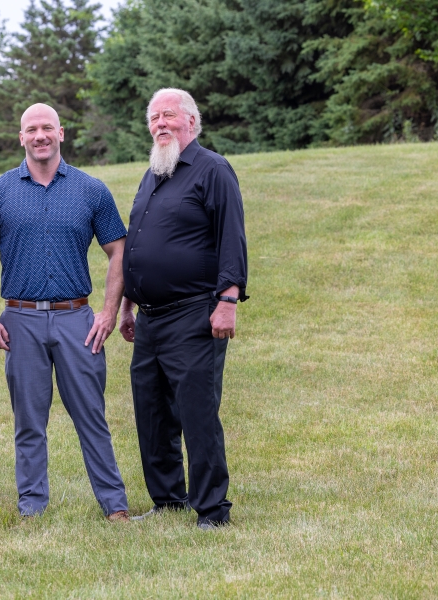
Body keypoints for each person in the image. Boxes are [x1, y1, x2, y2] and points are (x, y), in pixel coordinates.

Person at [0, 103, 131, 522]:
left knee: (91, 417)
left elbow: (119, 251)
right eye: (31, 129)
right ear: (21, 137)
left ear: (61, 133)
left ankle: (115, 506)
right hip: (20, 320)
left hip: (77, 319)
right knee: (28, 422)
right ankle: (32, 508)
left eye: (47, 127)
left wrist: (109, 311)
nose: (40, 135)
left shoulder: (91, 190)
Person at [119, 88, 248, 530]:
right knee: (151, 413)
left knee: (196, 412)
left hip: (195, 313)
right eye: (153, 118)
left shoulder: (213, 170)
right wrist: (128, 305)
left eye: (168, 116)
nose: (159, 124)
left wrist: (228, 301)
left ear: (191, 121)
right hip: (150, 318)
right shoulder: (155, 173)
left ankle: (213, 509)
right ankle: (168, 498)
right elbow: (139, 243)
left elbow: (232, 239)